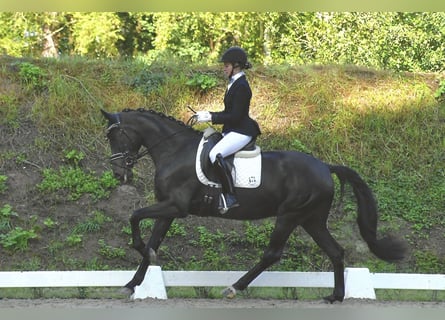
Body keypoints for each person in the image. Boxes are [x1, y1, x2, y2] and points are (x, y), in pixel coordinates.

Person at [195, 46, 261, 213]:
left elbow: (236, 116)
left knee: (214, 155)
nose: (223, 68)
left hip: (242, 131)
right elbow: (227, 113)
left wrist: (211, 117)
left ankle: (230, 196)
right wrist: (207, 114)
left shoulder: (242, 86)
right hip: (232, 129)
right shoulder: (233, 83)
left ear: (236, 66)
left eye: (226, 65)